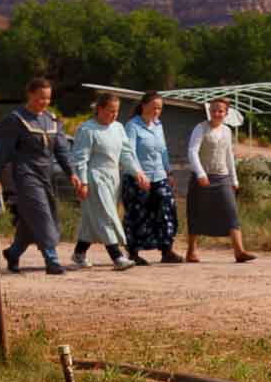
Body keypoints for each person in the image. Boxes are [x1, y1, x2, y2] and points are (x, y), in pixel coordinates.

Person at [0, 76, 84, 275]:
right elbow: (2, 152)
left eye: (48, 98)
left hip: (46, 174)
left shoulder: (52, 120)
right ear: (30, 95)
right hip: (24, 174)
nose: (44, 102)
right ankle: (51, 259)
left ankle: (14, 252)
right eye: (40, 98)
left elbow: (62, 151)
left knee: (31, 218)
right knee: (42, 213)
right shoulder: (15, 119)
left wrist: (72, 174)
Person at [70, 92, 148, 270]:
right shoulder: (87, 129)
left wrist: (137, 172)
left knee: (93, 218)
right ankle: (117, 257)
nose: (114, 115)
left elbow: (126, 153)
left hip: (113, 178)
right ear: (99, 109)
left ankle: (79, 253)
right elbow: (80, 158)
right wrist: (82, 182)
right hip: (94, 177)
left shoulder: (118, 128)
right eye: (110, 111)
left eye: (116, 111)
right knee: (106, 216)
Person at [186, 98, 255, 263]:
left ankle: (239, 251)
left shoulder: (227, 131)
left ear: (226, 113)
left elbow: (229, 155)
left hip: (222, 177)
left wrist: (234, 179)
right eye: (214, 110)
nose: (217, 114)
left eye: (220, 111)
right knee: (196, 212)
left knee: (231, 211)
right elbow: (192, 151)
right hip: (202, 177)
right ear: (210, 111)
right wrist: (200, 173)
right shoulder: (200, 128)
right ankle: (191, 251)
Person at [122, 91, 182, 265]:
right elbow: (129, 152)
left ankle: (166, 249)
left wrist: (168, 172)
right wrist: (138, 173)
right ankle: (133, 252)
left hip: (159, 175)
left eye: (160, 108)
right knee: (138, 214)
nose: (156, 111)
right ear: (143, 105)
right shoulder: (132, 126)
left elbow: (162, 151)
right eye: (153, 107)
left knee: (167, 209)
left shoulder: (158, 125)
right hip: (138, 177)